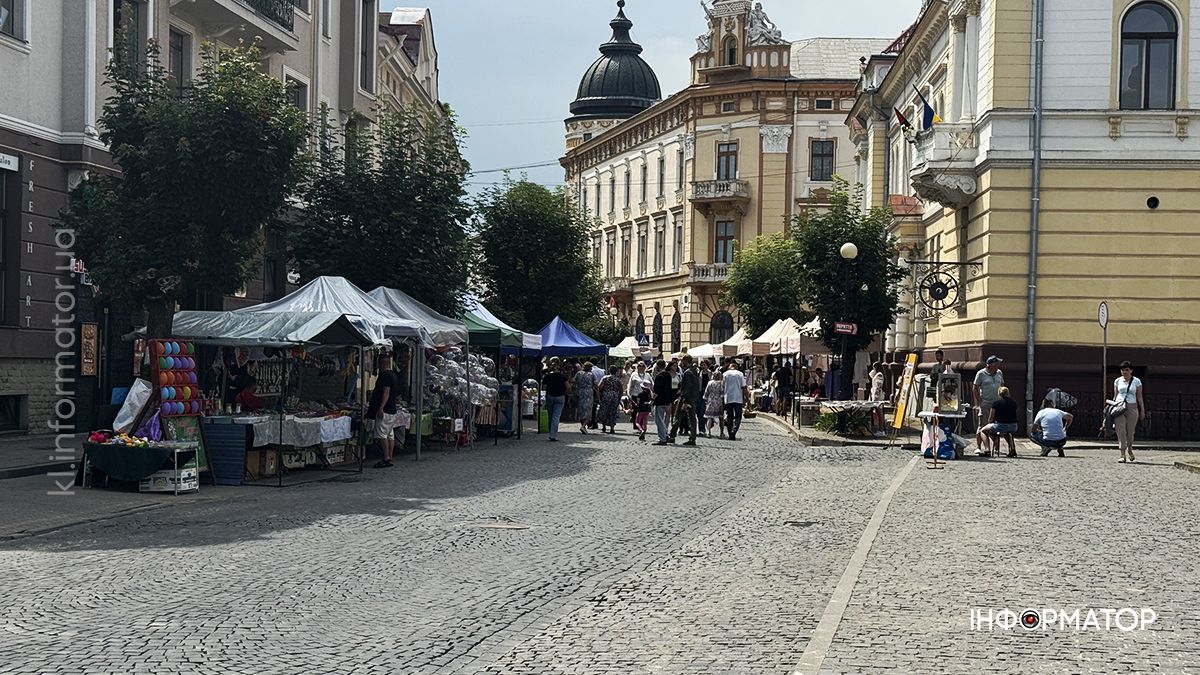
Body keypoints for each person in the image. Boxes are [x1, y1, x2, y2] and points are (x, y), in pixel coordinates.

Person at [368, 353, 400, 468]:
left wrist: (381, 408)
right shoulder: (394, 375)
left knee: (382, 434)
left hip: (385, 409)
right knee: (390, 434)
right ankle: (390, 457)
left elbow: (386, 391)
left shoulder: (385, 376)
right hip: (392, 409)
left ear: (381, 364)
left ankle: (385, 457)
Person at [1110, 361, 1145, 463]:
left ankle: (1129, 449)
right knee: (1121, 431)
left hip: (1132, 407)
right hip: (1119, 407)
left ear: (1131, 370)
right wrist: (1112, 407)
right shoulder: (1117, 381)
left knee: (1130, 432)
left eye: (1126, 370)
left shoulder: (1136, 381)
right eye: (1122, 370)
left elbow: (1139, 397)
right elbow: (1115, 395)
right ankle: (1122, 454)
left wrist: (1142, 410)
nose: (1124, 372)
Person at [977, 386, 1019, 457]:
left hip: (1001, 425)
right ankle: (1012, 449)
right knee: (1007, 433)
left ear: (999, 394)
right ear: (1008, 393)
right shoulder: (1014, 403)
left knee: (983, 431)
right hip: (1013, 426)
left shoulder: (996, 403)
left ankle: (987, 450)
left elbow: (991, 418)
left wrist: (991, 423)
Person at [671, 355, 700, 445]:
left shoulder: (688, 373)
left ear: (685, 361)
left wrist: (685, 401)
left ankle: (672, 436)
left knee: (678, 417)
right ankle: (693, 438)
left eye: (682, 360)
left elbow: (687, 388)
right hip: (693, 398)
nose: (681, 362)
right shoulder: (694, 371)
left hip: (686, 399)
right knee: (692, 419)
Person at [972, 356, 1005, 432]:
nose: (998, 366)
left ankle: (995, 444)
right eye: (996, 364)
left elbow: (1002, 385)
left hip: (997, 404)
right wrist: (980, 402)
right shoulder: (981, 374)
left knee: (996, 427)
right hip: (986, 403)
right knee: (983, 426)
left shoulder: (999, 372)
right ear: (990, 365)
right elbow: (975, 388)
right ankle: (979, 443)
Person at [542, 358, 567, 442]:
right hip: (560, 396)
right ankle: (553, 435)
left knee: (550, 415)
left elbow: (544, 386)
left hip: (550, 396)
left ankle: (551, 431)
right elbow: (568, 386)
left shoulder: (548, 375)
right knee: (556, 416)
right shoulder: (562, 376)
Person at [722, 362, 749, 441]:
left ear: (730, 367)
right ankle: (734, 429)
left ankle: (730, 433)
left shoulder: (725, 374)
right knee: (738, 416)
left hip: (728, 398)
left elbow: (722, 387)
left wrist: (722, 399)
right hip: (738, 398)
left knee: (729, 416)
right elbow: (744, 387)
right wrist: (747, 398)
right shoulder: (740, 374)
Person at [652, 361, 676, 445]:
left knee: (659, 420)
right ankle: (665, 434)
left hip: (660, 400)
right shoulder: (668, 375)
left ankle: (663, 438)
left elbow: (656, 390)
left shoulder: (659, 376)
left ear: (657, 367)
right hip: (667, 399)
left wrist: (652, 400)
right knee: (663, 419)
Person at [596, 365, 623, 434]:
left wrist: (599, 396)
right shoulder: (618, 380)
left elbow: (599, 387)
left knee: (604, 410)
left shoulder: (605, 378)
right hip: (614, 397)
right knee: (613, 412)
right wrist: (619, 398)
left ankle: (604, 427)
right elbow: (621, 390)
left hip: (606, 396)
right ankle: (612, 428)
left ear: (609, 371)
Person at [575, 362, 596, 434]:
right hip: (589, 393)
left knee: (581, 410)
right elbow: (595, 385)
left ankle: (583, 426)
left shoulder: (578, 373)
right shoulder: (591, 375)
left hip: (580, 392)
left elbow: (575, 382)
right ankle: (583, 426)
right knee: (588, 411)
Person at [703, 372, 726, 439]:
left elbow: (706, 392)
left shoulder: (710, 383)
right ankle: (721, 432)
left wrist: (706, 400)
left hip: (710, 400)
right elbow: (722, 393)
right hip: (718, 401)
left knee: (709, 417)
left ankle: (708, 432)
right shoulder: (721, 383)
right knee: (721, 418)